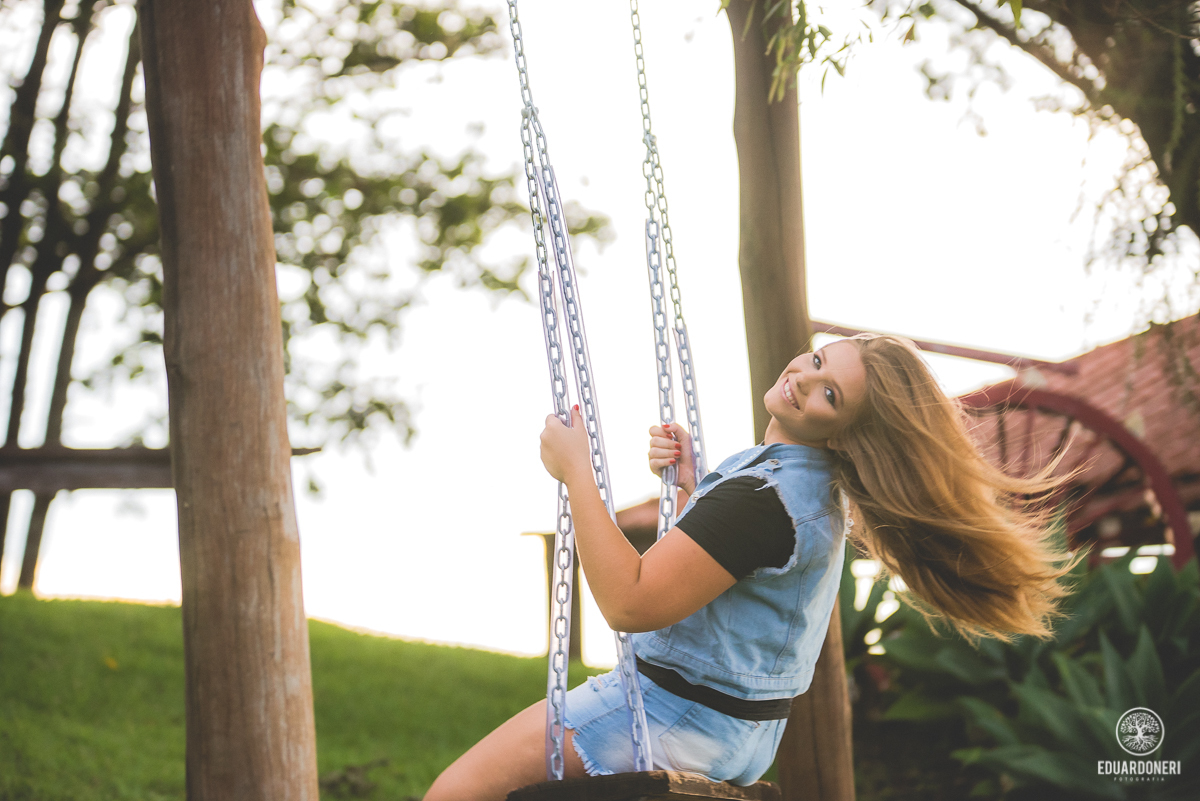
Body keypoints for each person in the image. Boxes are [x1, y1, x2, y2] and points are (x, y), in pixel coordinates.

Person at [423, 334, 1072, 801]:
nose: (802, 378)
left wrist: (577, 476)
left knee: (453, 794)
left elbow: (630, 600)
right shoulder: (815, 490)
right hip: (739, 733)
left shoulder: (760, 502)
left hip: (669, 715)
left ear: (845, 433)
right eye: (819, 360)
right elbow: (745, 558)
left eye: (828, 393)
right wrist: (689, 480)